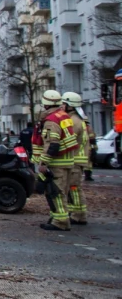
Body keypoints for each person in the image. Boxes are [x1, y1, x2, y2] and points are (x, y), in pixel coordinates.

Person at [36, 89, 78, 231]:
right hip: (68, 161)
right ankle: (57, 217)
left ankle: (60, 221)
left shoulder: (51, 120)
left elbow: (52, 143)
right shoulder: (64, 116)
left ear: (46, 104)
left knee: (56, 192)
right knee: (62, 192)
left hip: (57, 163)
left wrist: (44, 163)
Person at [62, 92, 89, 225]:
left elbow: (68, 141)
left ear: (70, 105)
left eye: (64, 104)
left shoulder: (73, 121)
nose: (61, 106)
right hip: (78, 159)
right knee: (73, 188)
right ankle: (76, 213)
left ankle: (79, 215)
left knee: (74, 188)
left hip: (75, 160)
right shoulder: (78, 119)